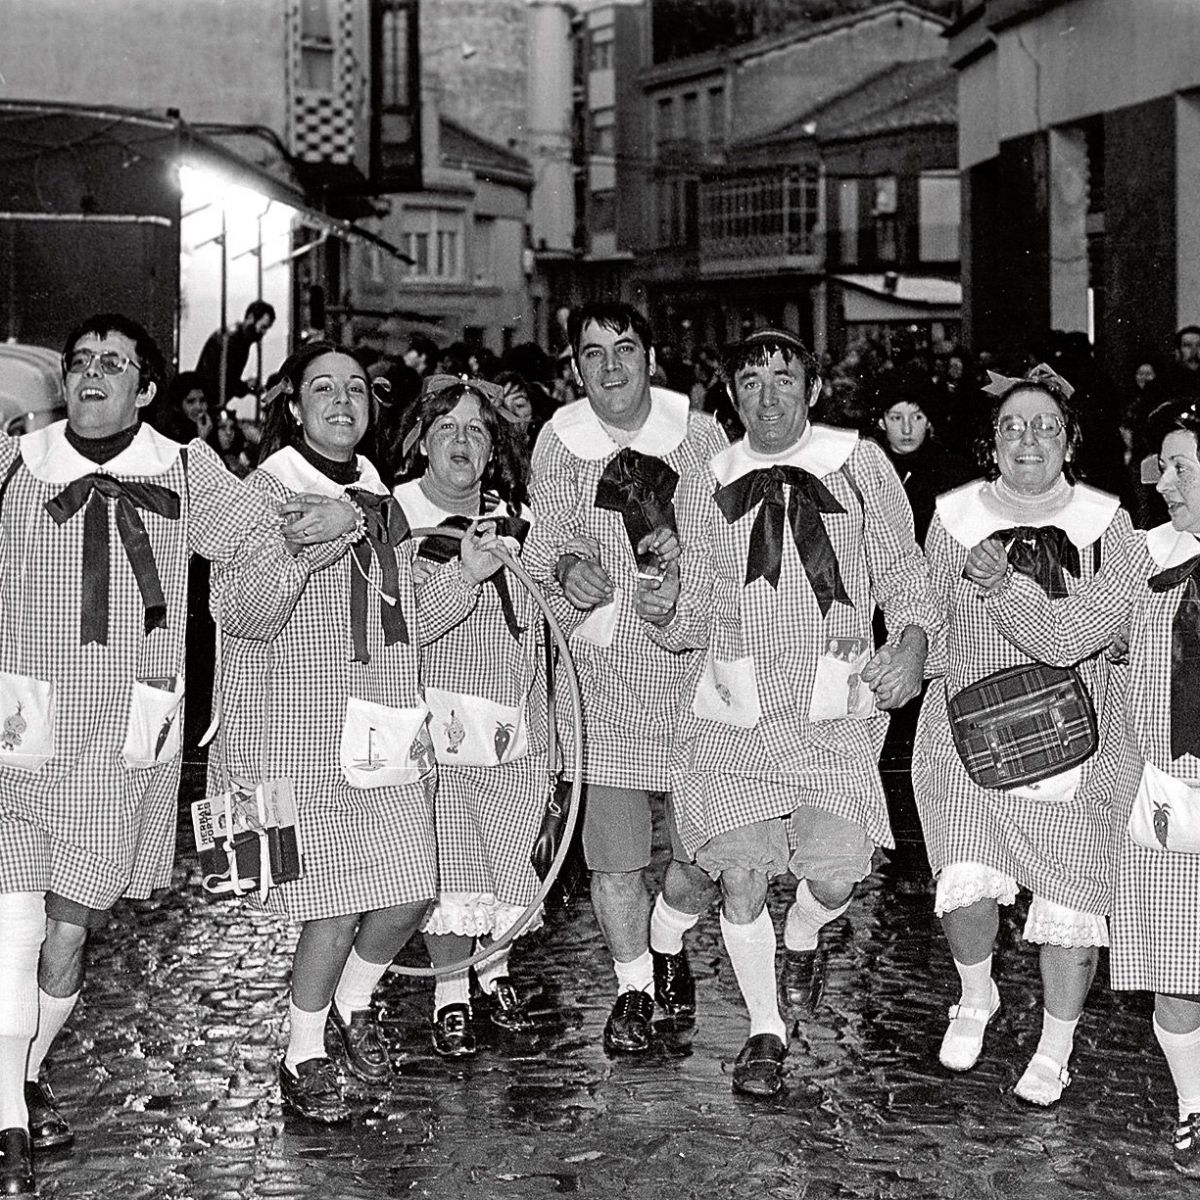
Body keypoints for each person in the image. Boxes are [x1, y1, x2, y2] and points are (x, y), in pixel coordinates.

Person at [0, 314, 353, 1194]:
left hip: (120, 745)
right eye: (81, 361)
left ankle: (27, 1075)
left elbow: (264, 539)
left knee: (68, 936)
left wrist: (333, 522)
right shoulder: (15, 465)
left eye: (114, 363)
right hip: (21, 733)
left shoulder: (185, 469)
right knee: (16, 926)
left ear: (146, 388)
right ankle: (7, 1121)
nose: (93, 373)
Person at [632, 328, 936, 1096]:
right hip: (734, 715)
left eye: (783, 378)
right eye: (751, 382)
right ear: (732, 397)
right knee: (738, 877)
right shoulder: (706, 479)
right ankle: (763, 1032)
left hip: (831, 713)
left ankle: (802, 935)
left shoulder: (860, 464)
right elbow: (695, 604)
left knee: (834, 881)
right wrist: (665, 611)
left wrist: (911, 641)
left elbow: (903, 569)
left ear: (813, 389)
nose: (768, 396)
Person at [211, 343, 502, 1126]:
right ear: (294, 406)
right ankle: (303, 1054)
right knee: (333, 905)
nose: (342, 401)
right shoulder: (264, 491)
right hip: (292, 735)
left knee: (411, 888)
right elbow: (242, 613)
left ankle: (352, 999)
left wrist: (465, 575)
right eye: (322, 388)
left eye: (355, 390)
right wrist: (313, 540)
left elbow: (406, 622)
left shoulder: (375, 496)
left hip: (381, 726)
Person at [963, 409, 1200, 1173]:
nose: (1164, 483)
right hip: (1170, 796)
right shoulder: (1146, 555)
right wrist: (1005, 588)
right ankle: (1195, 1108)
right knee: (1179, 973)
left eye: (1183, 467)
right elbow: (1067, 637)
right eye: (1162, 466)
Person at [913, 367, 1130, 1108]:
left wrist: (1005, 589)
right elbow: (929, 616)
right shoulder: (953, 518)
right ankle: (976, 995)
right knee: (964, 874)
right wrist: (912, 652)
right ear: (992, 442)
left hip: (1078, 735)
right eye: (1012, 426)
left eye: (1044, 426)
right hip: (971, 735)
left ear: (1070, 440)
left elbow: (1075, 635)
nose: (1027, 439)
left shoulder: (1108, 524)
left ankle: (1054, 1049)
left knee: (1071, 903)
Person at [522, 301, 726, 1056]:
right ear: (576, 366)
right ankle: (634, 988)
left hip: (696, 673)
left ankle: (667, 935)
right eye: (593, 353)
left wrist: (686, 555)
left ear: (651, 358)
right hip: (604, 679)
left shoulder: (700, 436)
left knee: (708, 856)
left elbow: (730, 544)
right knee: (616, 859)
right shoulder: (559, 441)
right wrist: (567, 569)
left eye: (626, 349)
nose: (611, 367)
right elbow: (546, 545)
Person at [392, 375, 547, 1056]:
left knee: (506, 849)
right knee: (450, 857)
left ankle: (494, 969)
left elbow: (537, 629)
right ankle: (450, 991)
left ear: (492, 448)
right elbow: (398, 630)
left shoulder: (518, 520)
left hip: (507, 720)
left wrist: (547, 727)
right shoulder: (395, 517)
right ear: (422, 440)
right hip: (433, 717)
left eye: (477, 430)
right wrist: (462, 576)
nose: (462, 440)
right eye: (447, 427)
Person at [869, 371, 973, 544]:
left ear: (929, 421)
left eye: (917, 417)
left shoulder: (952, 471)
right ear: (881, 422)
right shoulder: (867, 468)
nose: (907, 429)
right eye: (896, 418)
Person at [195, 300, 275, 410]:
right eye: (263, 327)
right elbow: (225, 382)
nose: (264, 333)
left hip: (208, 402)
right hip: (208, 404)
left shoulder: (237, 338)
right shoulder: (232, 340)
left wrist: (248, 387)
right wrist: (247, 386)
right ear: (251, 318)